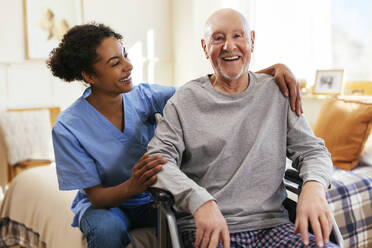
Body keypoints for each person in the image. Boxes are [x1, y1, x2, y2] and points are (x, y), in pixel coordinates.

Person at [48, 23, 302, 248]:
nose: (129, 66)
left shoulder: (145, 97)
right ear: (89, 76)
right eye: (115, 63)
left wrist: (270, 71)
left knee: (192, 225)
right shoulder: (68, 127)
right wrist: (133, 186)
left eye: (125, 56)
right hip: (109, 204)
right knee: (106, 230)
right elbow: (96, 196)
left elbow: (204, 91)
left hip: (156, 198)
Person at [147, 9, 337, 248]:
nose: (229, 46)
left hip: (274, 227)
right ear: (205, 47)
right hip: (210, 230)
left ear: (252, 41)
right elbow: (158, 159)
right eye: (218, 38)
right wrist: (199, 201)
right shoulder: (184, 101)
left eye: (238, 36)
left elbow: (313, 151)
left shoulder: (277, 92)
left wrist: (314, 187)